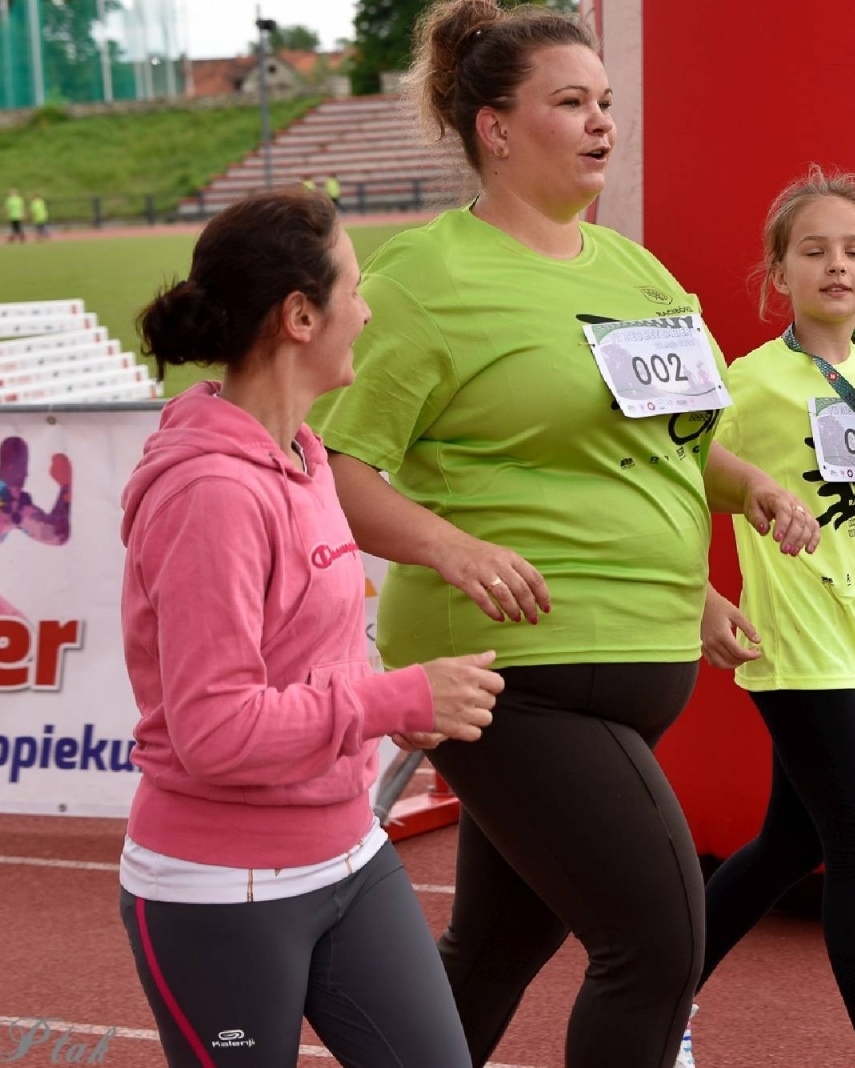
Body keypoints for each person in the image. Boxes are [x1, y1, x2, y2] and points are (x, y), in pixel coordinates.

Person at [310, 3, 821, 1066]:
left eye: (605, 104)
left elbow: (668, 451)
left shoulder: (637, 274)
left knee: (498, 944)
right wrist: (452, 547)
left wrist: (741, 502)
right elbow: (336, 470)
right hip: (509, 670)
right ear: (495, 128)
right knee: (654, 941)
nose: (600, 125)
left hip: (633, 650)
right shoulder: (425, 278)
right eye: (569, 103)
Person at [117, 187, 502, 1068]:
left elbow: (306, 656)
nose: (366, 311)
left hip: (347, 855)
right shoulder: (211, 491)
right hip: (220, 889)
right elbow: (213, 730)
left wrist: (386, 704)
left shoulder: (303, 455)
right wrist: (388, 696)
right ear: (299, 315)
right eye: (355, 288)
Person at [686, 168, 855, 1068]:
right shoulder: (751, 380)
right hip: (791, 632)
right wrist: (704, 596)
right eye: (814, 250)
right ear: (781, 272)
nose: (836, 265)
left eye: (854, 250)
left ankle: (658, 996)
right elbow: (679, 484)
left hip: (854, 633)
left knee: (790, 840)